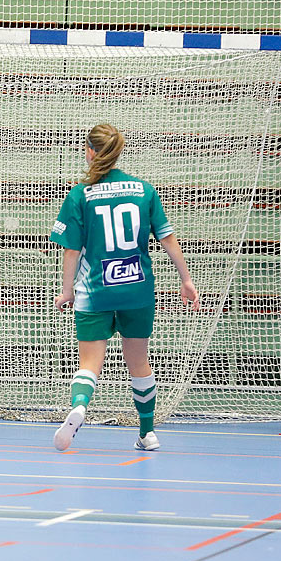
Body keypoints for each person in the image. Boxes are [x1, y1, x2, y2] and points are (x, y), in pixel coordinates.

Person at [51, 123, 199, 453]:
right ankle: (147, 433)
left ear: (90, 151)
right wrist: (186, 280)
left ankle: (79, 406)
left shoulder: (80, 194)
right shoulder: (144, 190)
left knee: (89, 364)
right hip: (137, 290)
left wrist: (67, 290)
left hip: (95, 290)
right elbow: (168, 238)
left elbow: (71, 250)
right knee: (139, 362)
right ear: (118, 152)